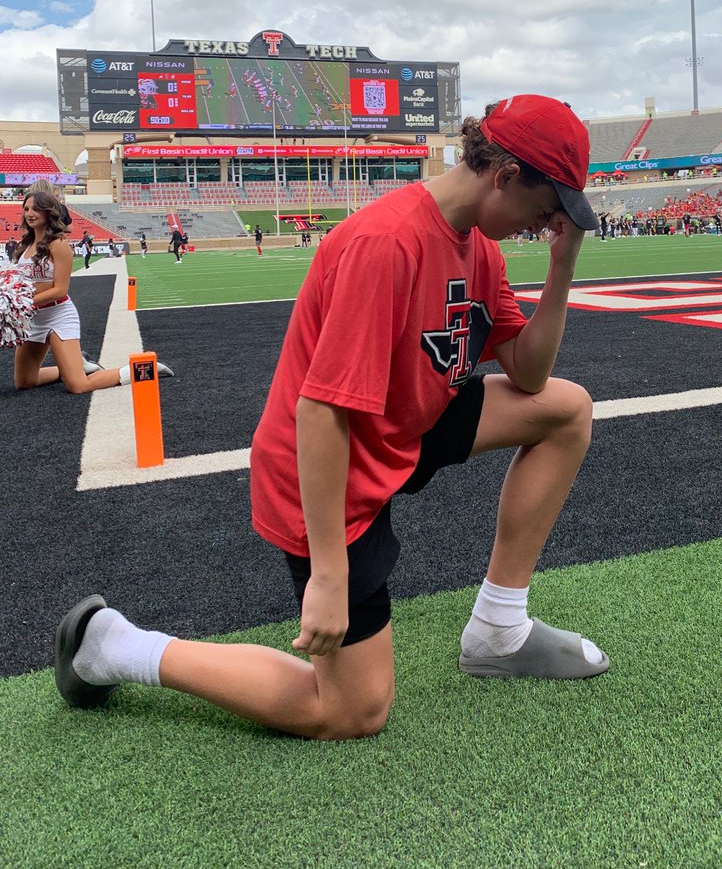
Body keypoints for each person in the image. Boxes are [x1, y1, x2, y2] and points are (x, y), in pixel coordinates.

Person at [54, 95, 607, 741]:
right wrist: (329, 573)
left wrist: (563, 265)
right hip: (329, 465)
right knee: (351, 711)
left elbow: (530, 377)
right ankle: (112, 645)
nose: (547, 223)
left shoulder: (479, 247)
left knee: (566, 410)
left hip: (401, 427)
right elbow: (320, 412)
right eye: (548, 206)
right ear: (506, 175)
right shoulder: (387, 241)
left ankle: (499, 629)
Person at [11, 192, 173, 393]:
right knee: (24, 381)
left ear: (48, 212)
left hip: (58, 316)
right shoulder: (24, 246)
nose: (29, 213)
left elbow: (60, 290)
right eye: (26, 209)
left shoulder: (58, 244)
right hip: (33, 318)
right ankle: (74, 367)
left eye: (36, 209)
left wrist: (24, 303)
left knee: (78, 386)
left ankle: (143, 367)